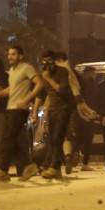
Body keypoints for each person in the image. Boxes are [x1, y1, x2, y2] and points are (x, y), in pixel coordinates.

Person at [0, 45, 44, 183]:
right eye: (9, 54)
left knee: (6, 139)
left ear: (21, 56)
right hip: (11, 108)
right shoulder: (12, 70)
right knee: (12, 140)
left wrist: (26, 99)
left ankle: (3, 171)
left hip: (20, 110)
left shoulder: (26, 68)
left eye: (13, 54)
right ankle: (28, 165)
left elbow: (39, 84)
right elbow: (11, 89)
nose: (10, 57)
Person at [32, 51, 72, 179]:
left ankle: (53, 166)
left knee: (58, 137)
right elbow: (40, 95)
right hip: (51, 110)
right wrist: (34, 112)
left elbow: (63, 90)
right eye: (44, 61)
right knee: (51, 139)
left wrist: (49, 78)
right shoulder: (43, 75)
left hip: (63, 109)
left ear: (54, 60)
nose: (47, 63)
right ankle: (55, 167)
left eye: (49, 60)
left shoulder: (62, 72)